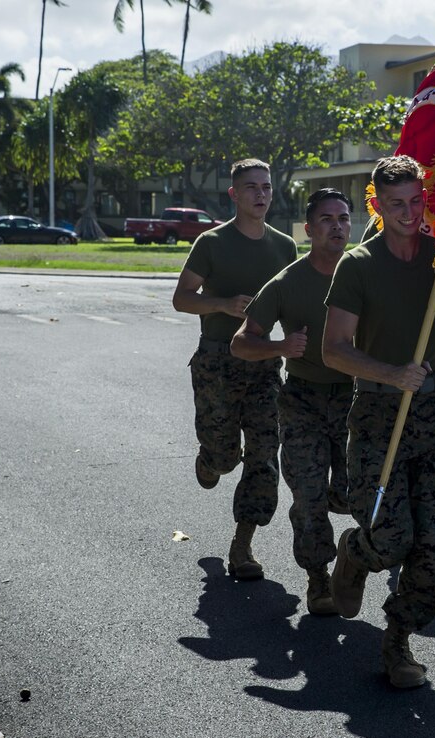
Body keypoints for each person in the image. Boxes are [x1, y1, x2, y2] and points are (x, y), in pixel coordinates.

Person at [321, 155, 435, 689]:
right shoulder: (358, 265)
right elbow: (333, 350)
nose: (409, 212)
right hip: (378, 415)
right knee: (391, 539)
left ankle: (397, 641)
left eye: (417, 201)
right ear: (377, 203)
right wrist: (392, 373)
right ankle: (354, 553)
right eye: (396, 203)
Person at [230, 188, 354, 615]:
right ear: (309, 229)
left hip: (359, 400)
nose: (336, 225)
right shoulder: (288, 282)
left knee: (353, 494)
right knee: (309, 495)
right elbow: (242, 343)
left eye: (343, 218)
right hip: (303, 400)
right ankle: (318, 578)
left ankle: (351, 549)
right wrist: (281, 346)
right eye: (326, 219)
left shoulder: (363, 275)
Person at [171, 158, 297, 581]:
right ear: (234, 194)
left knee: (264, 456)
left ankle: (242, 546)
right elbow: (182, 298)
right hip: (216, 362)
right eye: (251, 188)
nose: (260, 194)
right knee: (225, 460)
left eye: (266, 187)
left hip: (262, 364)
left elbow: (295, 307)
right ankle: (212, 458)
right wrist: (222, 304)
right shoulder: (211, 242)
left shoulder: (284, 246)